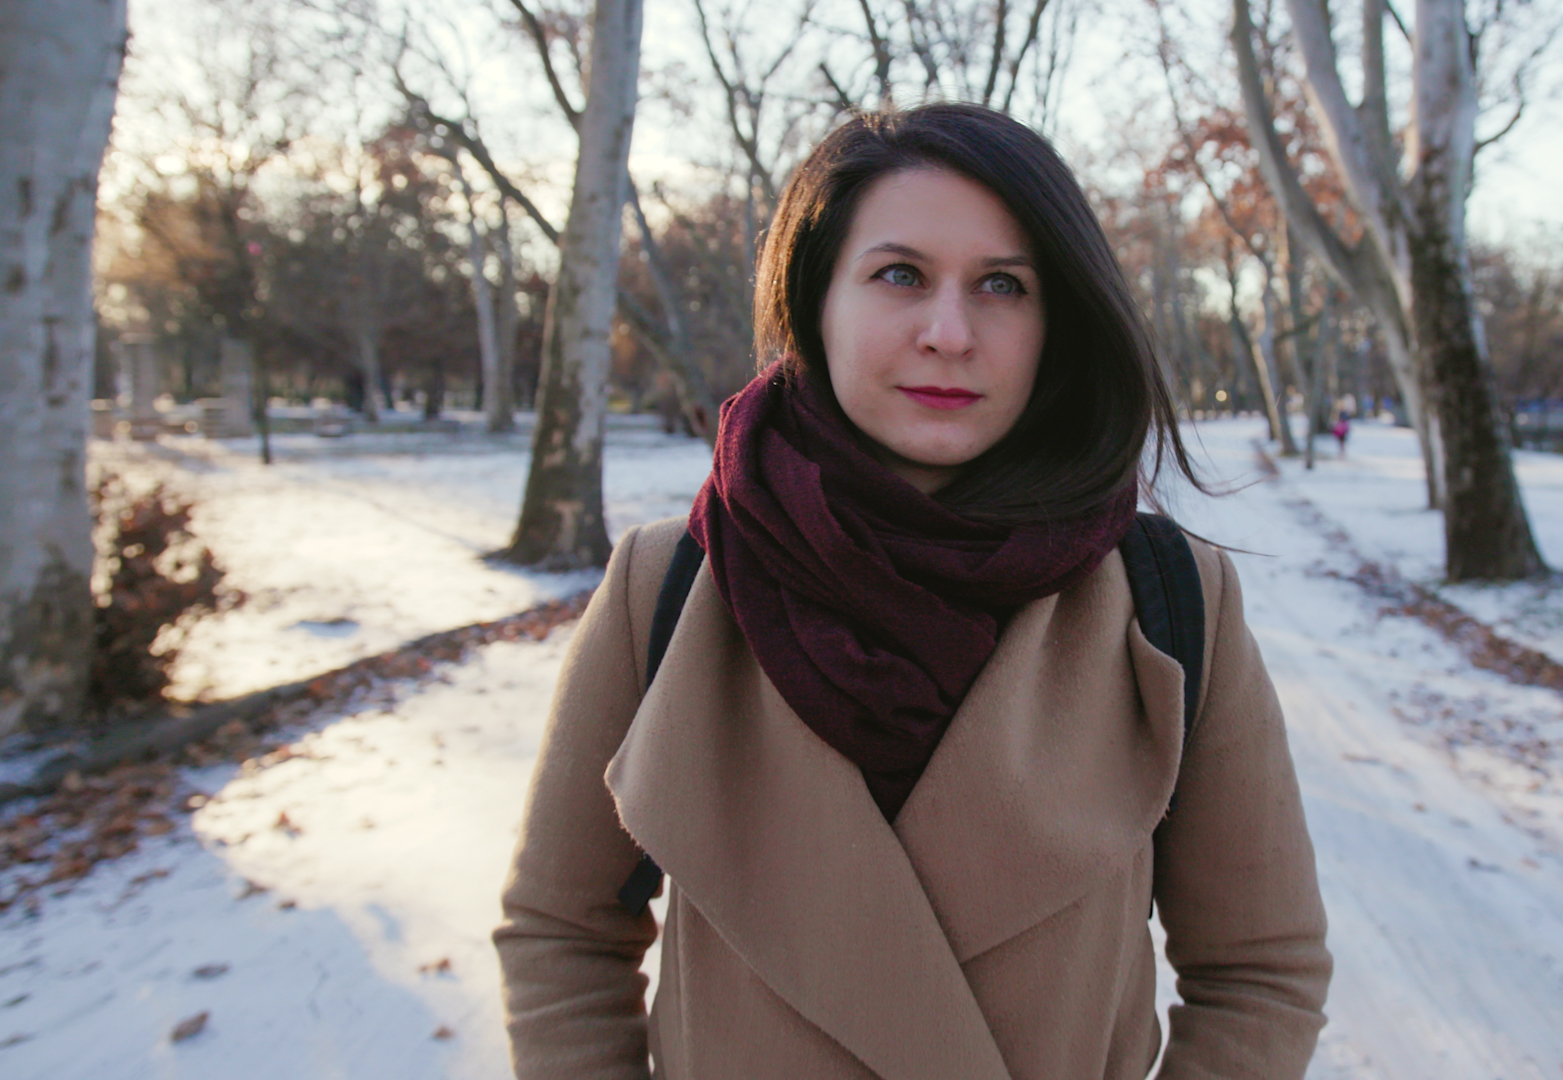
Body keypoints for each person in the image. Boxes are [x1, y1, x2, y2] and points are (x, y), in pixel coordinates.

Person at [493, 102, 1330, 1080]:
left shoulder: (1169, 602)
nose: (949, 332)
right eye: (900, 275)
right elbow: (562, 932)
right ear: (815, 299)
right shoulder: (670, 586)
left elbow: (1260, 971)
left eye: (1004, 285)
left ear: (1057, 322)